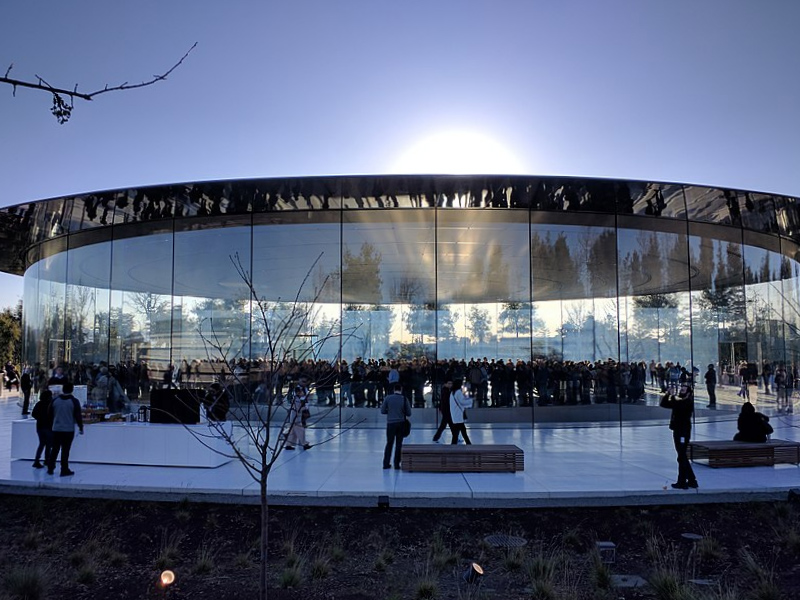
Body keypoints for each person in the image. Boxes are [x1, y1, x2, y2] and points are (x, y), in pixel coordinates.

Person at [660, 382, 698, 490]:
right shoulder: (680, 401)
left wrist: (671, 396)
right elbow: (664, 404)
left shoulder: (687, 402)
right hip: (678, 430)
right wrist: (668, 394)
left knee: (681, 456)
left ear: (689, 393)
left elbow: (678, 405)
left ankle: (682, 481)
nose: (681, 390)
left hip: (683, 432)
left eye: (683, 390)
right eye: (681, 389)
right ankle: (691, 480)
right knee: (682, 456)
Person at [47, 382, 84, 476]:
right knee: (65, 450)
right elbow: (78, 416)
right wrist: (80, 427)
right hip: (68, 429)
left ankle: (50, 467)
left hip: (56, 428)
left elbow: (49, 414)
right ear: (72, 390)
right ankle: (64, 469)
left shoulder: (55, 400)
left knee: (54, 449)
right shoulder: (74, 401)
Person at [381, 382, 411, 469]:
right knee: (399, 444)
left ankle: (386, 463)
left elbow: (382, 411)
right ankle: (397, 464)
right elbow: (409, 413)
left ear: (394, 390)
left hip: (390, 423)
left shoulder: (388, 398)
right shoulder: (404, 399)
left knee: (389, 443)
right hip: (401, 423)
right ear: (401, 390)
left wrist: (390, 412)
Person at [285, 375, 312, 450]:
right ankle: (304, 443)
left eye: (305, 382)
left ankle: (289, 444)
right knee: (300, 428)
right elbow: (302, 399)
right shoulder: (297, 389)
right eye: (303, 381)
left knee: (292, 430)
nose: (304, 383)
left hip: (299, 411)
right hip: (296, 412)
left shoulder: (305, 389)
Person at [31, 389, 53, 469]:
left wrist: (39, 419)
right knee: (48, 444)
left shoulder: (39, 404)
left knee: (42, 444)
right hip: (48, 427)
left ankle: (37, 460)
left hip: (40, 427)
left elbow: (33, 414)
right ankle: (47, 460)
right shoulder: (50, 405)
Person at [449, 379, 472, 445]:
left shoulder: (452, 392)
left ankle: (454, 444)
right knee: (462, 431)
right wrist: (470, 401)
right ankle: (468, 444)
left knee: (458, 432)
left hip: (455, 414)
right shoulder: (458, 392)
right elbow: (462, 401)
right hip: (459, 414)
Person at [432, 379, 453, 443]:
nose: (450, 385)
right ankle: (436, 438)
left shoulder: (447, 391)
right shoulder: (446, 391)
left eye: (451, 384)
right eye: (449, 383)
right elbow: (445, 402)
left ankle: (436, 438)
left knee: (450, 425)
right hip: (447, 411)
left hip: (447, 411)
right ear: (445, 384)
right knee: (444, 425)